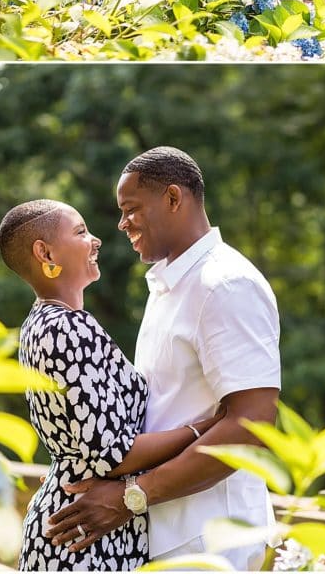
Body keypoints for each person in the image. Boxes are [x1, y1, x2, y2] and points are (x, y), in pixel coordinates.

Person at [44, 147, 281, 570]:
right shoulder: (171, 286)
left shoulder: (224, 285)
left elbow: (252, 424)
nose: (121, 224)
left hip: (210, 539)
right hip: (164, 531)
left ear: (173, 198)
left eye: (131, 209)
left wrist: (132, 496)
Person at [0, 198, 225, 571]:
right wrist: (207, 426)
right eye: (81, 231)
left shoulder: (47, 323)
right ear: (45, 251)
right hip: (84, 538)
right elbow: (113, 453)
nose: (96, 240)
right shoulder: (66, 328)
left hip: (85, 525)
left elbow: (90, 442)